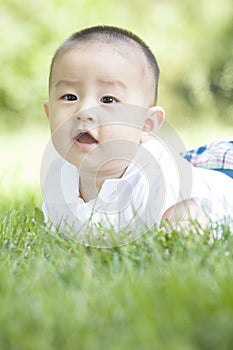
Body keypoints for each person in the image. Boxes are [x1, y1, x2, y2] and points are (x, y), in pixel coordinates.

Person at [41, 25, 233, 246]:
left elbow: (192, 220)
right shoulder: (58, 178)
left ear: (146, 125)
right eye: (69, 96)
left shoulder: (157, 177)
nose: (84, 111)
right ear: (49, 113)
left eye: (108, 100)